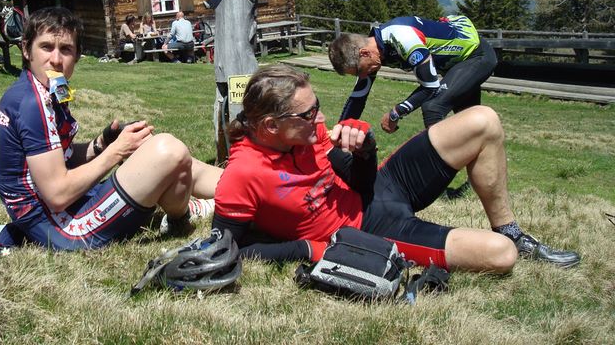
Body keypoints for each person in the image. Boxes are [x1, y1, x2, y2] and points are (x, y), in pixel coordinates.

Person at [212, 65, 580, 271]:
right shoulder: (243, 173)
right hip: (371, 230)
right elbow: (227, 249)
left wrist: (365, 150)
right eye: (309, 114)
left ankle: (512, 230)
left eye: (318, 106)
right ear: (271, 125)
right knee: (500, 255)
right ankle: (507, 242)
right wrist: (308, 249)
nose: (320, 118)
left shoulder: (308, 133)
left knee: (483, 120)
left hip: (382, 187)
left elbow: (361, 182)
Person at [0, 7, 222, 250]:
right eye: (46, 47)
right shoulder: (32, 103)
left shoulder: (43, 88)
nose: (56, 60)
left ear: (77, 55)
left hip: (65, 211)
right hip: (62, 230)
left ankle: (239, 186)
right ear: (26, 49)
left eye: (66, 49)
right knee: (168, 150)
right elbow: (57, 194)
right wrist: (117, 151)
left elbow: (61, 158)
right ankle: (184, 215)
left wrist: (102, 144)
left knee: (167, 155)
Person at [329, 15, 498, 133]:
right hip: (458, 64)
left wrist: (396, 113)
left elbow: (431, 86)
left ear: (365, 53)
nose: (363, 75)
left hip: (476, 55)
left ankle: (435, 173)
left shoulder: (402, 37)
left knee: (433, 107)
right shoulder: (374, 53)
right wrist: (339, 131)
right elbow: (358, 98)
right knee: (471, 128)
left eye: (359, 71)